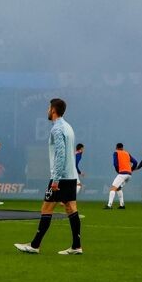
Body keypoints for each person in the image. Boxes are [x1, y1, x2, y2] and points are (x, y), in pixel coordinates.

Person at [15, 98, 82, 255]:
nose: (47, 110)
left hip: (61, 177)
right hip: (71, 176)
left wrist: (56, 179)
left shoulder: (57, 129)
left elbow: (61, 154)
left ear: (53, 110)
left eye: (48, 108)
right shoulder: (68, 127)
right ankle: (76, 246)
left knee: (46, 208)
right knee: (71, 207)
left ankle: (34, 245)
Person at [105, 143, 138, 209]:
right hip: (129, 175)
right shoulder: (127, 153)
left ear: (116, 147)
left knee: (113, 188)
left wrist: (118, 171)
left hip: (122, 174)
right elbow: (135, 162)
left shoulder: (116, 153)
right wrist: (131, 169)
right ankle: (122, 205)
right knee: (118, 188)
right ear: (122, 148)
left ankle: (109, 205)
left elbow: (115, 164)